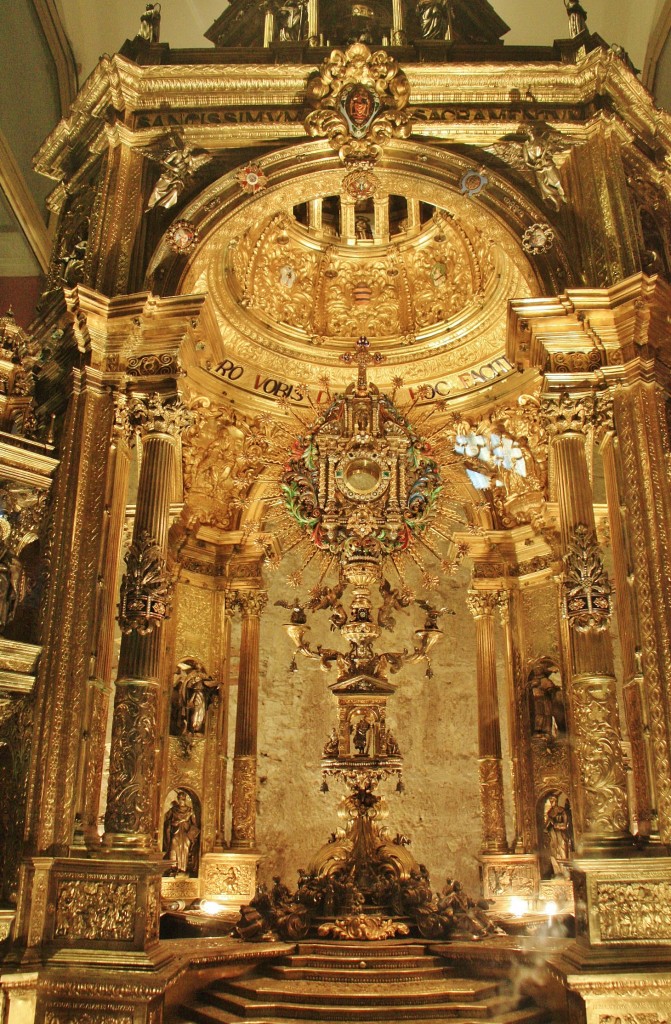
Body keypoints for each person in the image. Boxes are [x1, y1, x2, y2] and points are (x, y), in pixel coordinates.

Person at [164, 790, 199, 875]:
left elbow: (195, 825)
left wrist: (192, 833)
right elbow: (166, 821)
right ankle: (173, 867)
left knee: (185, 846)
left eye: (182, 799)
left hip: (186, 832)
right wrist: (173, 823)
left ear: (185, 800)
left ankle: (183, 868)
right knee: (173, 845)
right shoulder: (173, 810)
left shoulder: (190, 811)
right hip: (176, 831)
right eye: (179, 799)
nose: (180, 801)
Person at [544, 795, 571, 875]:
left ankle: (565, 872)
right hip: (552, 835)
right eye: (550, 801)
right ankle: (557, 872)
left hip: (561, 834)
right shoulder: (549, 813)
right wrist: (547, 826)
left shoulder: (562, 811)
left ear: (556, 801)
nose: (551, 802)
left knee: (562, 851)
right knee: (554, 853)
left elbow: (566, 825)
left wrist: (555, 824)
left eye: (553, 801)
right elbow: (545, 827)